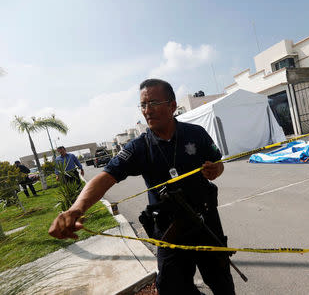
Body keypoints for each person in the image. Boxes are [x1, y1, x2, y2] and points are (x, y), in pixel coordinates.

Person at [48, 79, 235, 295]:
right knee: (172, 289)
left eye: (153, 103)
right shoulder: (139, 147)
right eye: (143, 105)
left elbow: (218, 162)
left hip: (206, 223)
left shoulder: (196, 133)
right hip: (170, 232)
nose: (147, 111)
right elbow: (106, 177)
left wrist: (216, 169)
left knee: (221, 282)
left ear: (172, 106)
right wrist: (76, 209)